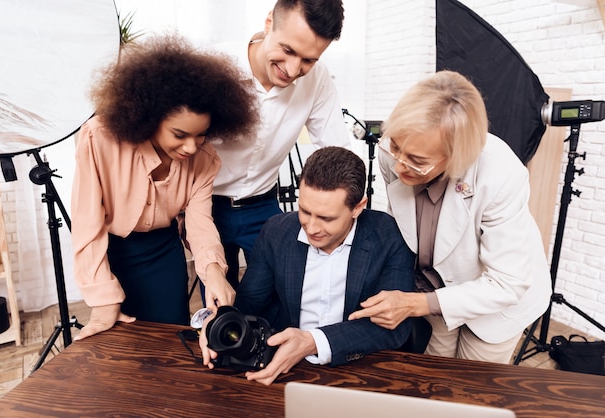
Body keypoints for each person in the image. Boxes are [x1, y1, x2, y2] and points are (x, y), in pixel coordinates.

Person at [348, 71, 552, 364]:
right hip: (434, 285)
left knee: (469, 388)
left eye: (417, 161)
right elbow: (404, 226)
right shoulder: (392, 155)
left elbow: (506, 282)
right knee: (433, 374)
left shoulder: (500, 175)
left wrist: (416, 303)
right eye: (395, 146)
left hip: (497, 302)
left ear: (457, 157)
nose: (400, 165)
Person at [71, 34, 259, 340]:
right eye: (179, 134)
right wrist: (103, 298)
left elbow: (199, 222)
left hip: (163, 254)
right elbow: (86, 224)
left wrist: (213, 273)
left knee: (170, 342)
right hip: (111, 253)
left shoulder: (205, 159)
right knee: (121, 348)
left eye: (201, 135)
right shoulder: (100, 139)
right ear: (150, 115)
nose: (190, 146)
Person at [199, 146, 415, 386]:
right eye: (304, 211)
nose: (311, 228)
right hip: (287, 369)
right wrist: (216, 321)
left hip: (362, 369)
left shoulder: (390, 236)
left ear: (358, 207)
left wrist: (314, 341)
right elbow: (249, 304)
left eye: (326, 218)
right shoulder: (276, 231)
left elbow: (395, 327)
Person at [208, 0, 351, 289]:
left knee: (280, 291)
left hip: (263, 204)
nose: (293, 68)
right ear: (269, 22)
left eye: (309, 60)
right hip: (206, 206)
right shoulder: (212, 65)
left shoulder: (318, 79)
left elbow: (337, 150)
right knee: (218, 300)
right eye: (287, 50)